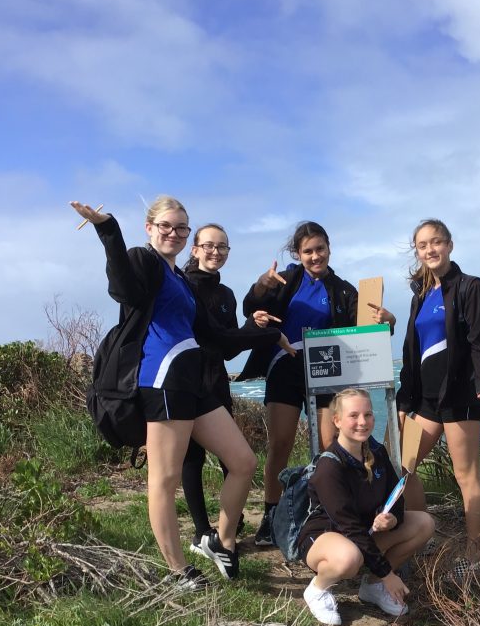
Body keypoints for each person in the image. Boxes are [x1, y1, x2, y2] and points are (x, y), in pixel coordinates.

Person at [69, 197, 291, 589]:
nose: (173, 233)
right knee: (165, 478)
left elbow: (220, 340)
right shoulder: (144, 261)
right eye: (166, 226)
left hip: (194, 384)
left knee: (242, 461)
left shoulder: (183, 283)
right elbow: (122, 287)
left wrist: (271, 335)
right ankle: (176, 570)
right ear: (150, 228)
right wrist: (108, 229)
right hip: (161, 381)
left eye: (181, 228)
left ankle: (221, 541)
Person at [236, 221, 396, 547]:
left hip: (328, 372)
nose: (314, 256)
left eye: (319, 249)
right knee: (280, 443)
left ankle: (328, 513)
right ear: (298, 253)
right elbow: (251, 309)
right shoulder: (287, 280)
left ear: (329, 249)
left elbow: (369, 331)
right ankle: (270, 515)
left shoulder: (343, 290)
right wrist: (261, 286)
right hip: (286, 367)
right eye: (307, 251)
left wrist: (389, 321)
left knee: (329, 447)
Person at [396, 219, 480, 576]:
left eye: (436, 242)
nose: (430, 249)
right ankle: (425, 534)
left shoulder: (470, 286)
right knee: (405, 466)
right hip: (427, 400)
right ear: (416, 252)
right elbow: (412, 351)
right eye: (422, 245)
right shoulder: (421, 293)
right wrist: (405, 400)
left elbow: (478, 338)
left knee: (467, 475)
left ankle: (475, 554)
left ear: (449, 245)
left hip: (460, 395)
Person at [181, 223, 287, 559]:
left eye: (222, 247)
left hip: (216, 381)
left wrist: (250, 327)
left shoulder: (225, 295)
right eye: (209, 246)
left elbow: (227, 349)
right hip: (185, 380)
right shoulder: (183, 286)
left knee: (232, 457)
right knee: (192, 458)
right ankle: (201, 532)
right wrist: (266, 337)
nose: (215, 253)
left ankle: (230, 522)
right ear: (195, 249)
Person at [297, 389, 435, 626]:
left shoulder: (377, 452)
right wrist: (388, 574)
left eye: (368, 414)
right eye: (353, 416)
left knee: (424, 523)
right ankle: (318, 589)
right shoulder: (329, 466)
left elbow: (397, 496)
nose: (362, 422)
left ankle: (372, 586)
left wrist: (393, 518)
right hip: (325, 537)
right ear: (337, 421)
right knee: (348, 558)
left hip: (363, 533)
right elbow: (349, 526)